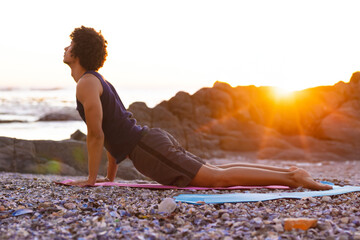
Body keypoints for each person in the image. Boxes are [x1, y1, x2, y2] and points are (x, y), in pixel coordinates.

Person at [63, 26, 332, 190]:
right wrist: (109, 178)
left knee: (217, 179)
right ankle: (290, 173)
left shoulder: (86, 83)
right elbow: (113, 130)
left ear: (79, 52)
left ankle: (293, 178)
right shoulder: (96, 81)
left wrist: (90, 178)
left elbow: (98, 134)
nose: (66, 47)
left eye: (71, 44)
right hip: (149, 143)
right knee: (217, 171)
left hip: (148, 149)